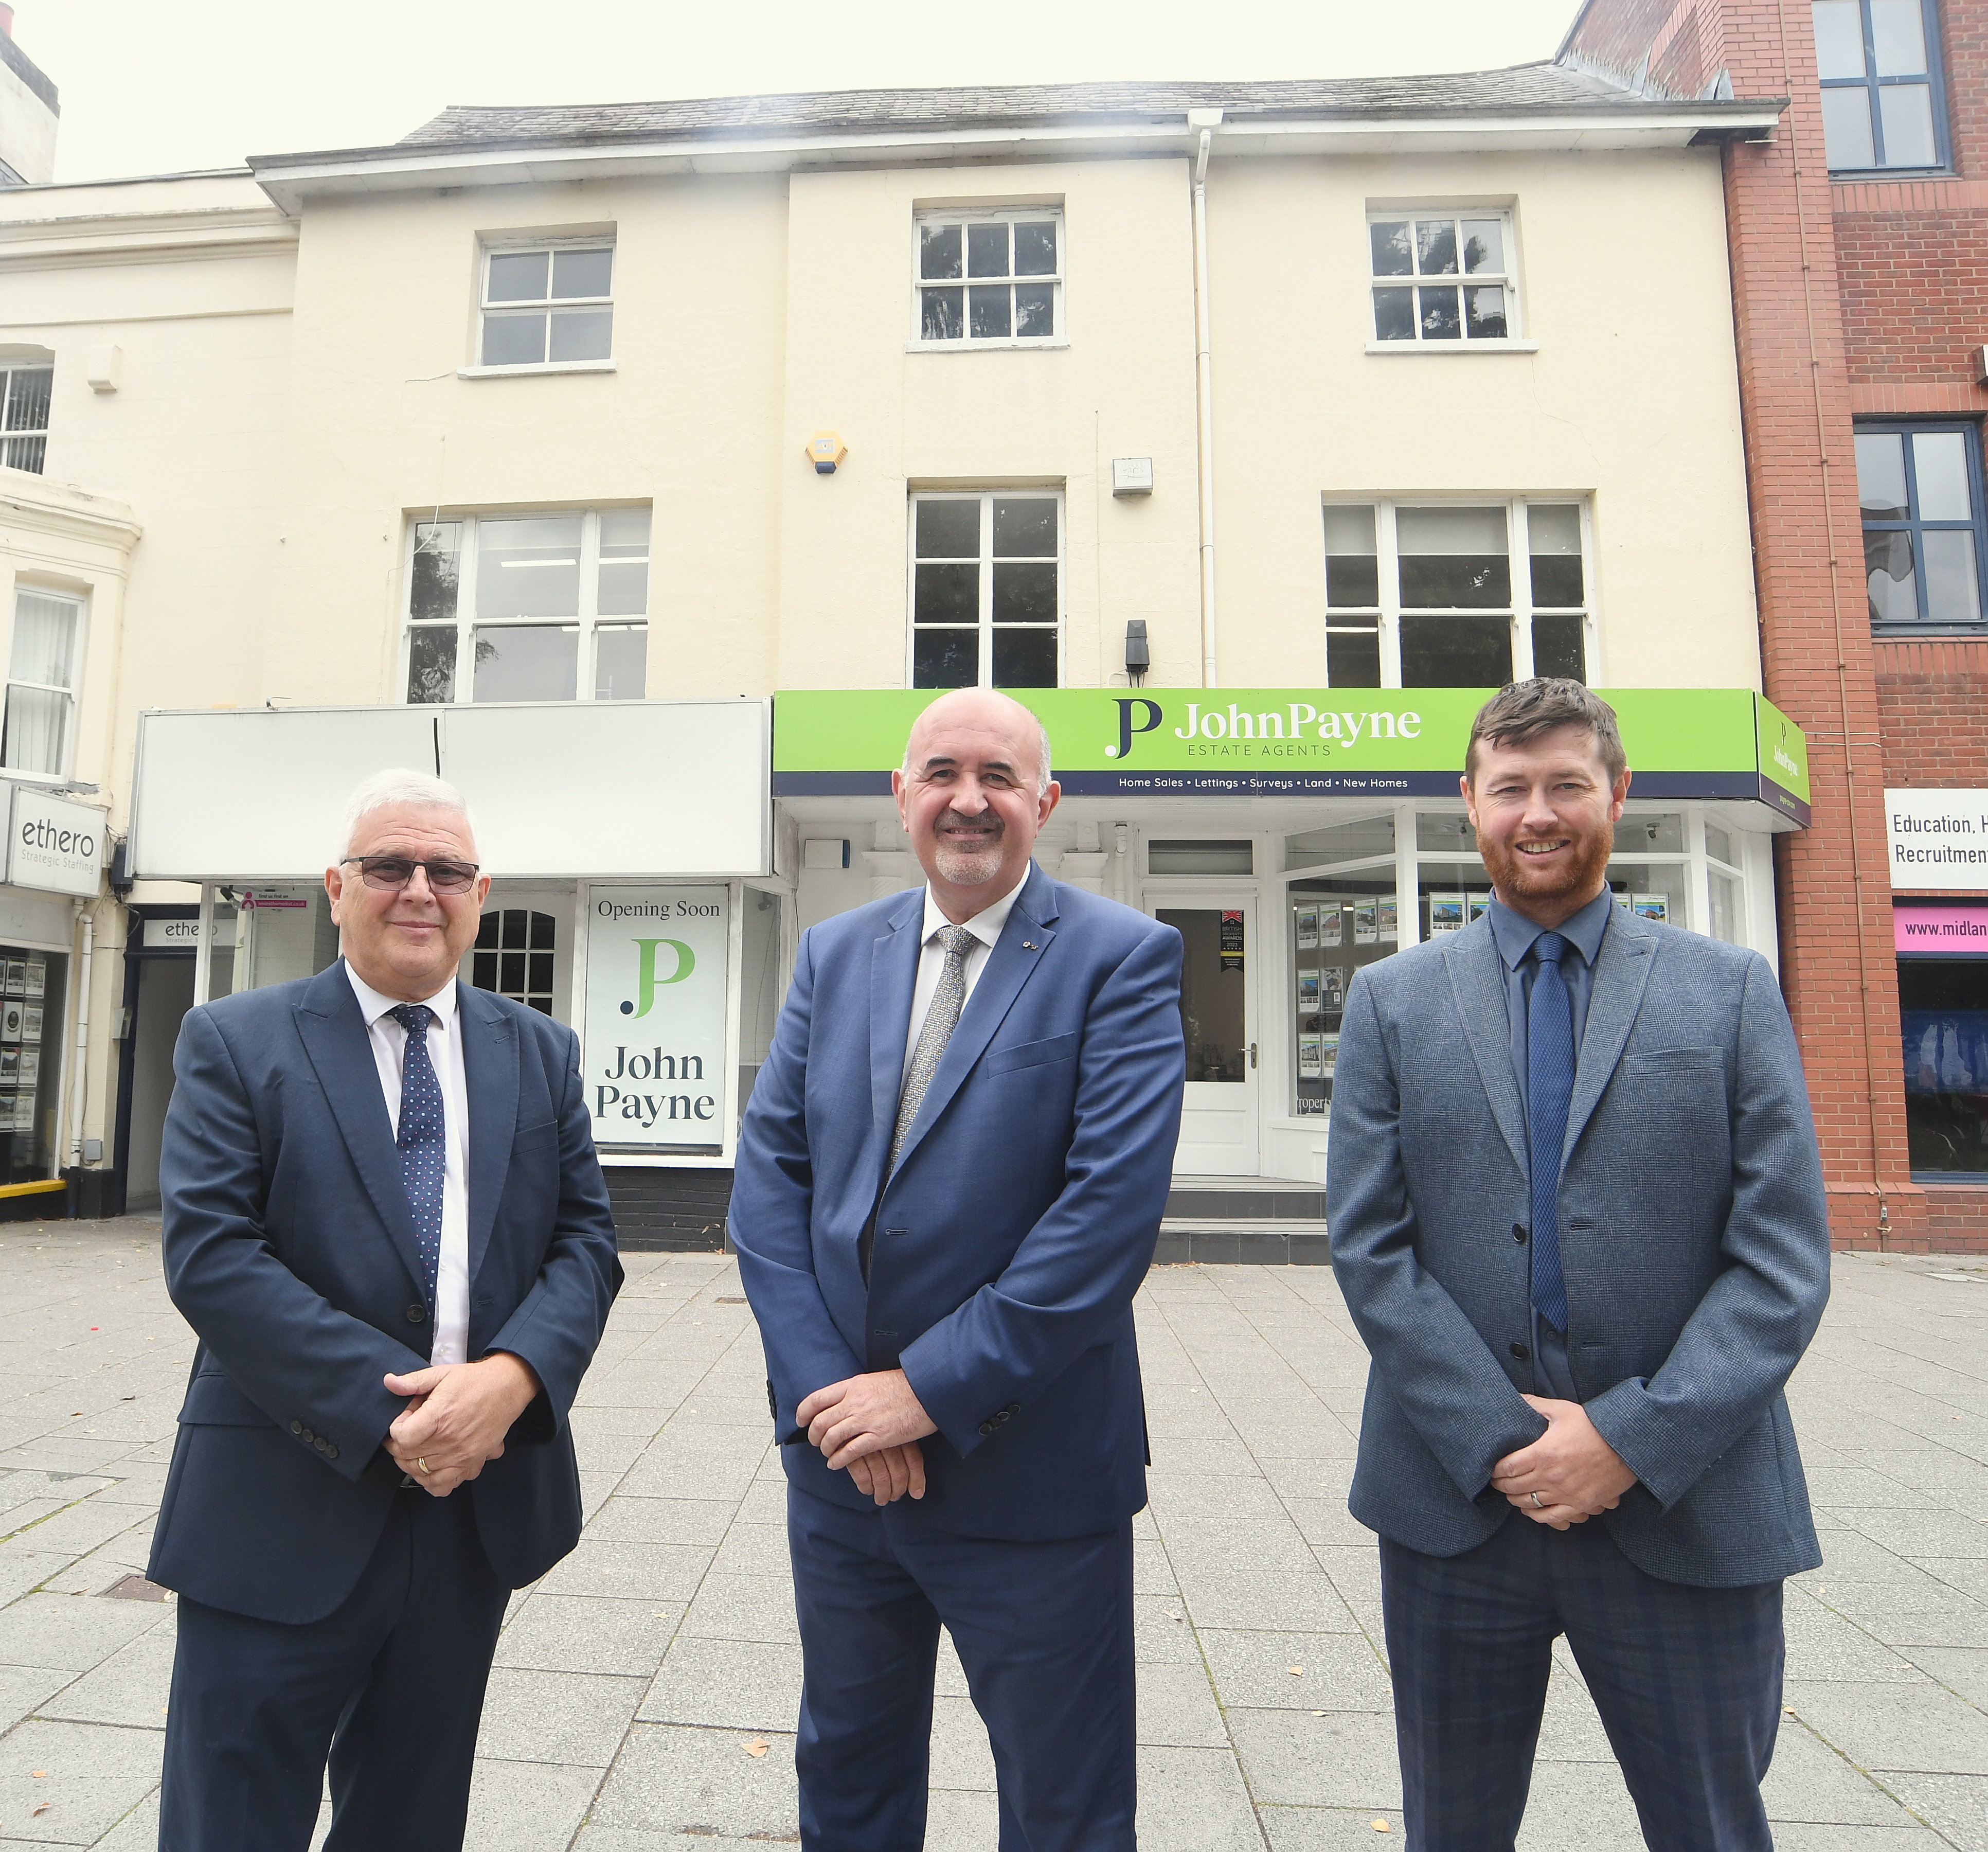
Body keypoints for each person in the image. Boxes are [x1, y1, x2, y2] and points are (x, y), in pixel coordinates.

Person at [1327, 678, 1831, 1852]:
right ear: (1470, 804)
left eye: (1564, 784)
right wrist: (1508, 1443)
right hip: (1458, 1504)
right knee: (1450, 1831)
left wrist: (1627, 1442)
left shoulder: (1729, 992)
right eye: (1510, 789)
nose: (1537, 812)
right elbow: (1370, 1247)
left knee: (1710, 1827)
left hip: (1684, 1499)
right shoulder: (1391, 1003)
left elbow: (1781, 1259)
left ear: (1618, 793)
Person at [731, 687, 1185, 1851]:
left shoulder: (1120, 959)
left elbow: (1103, 1222)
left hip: (1027, 1474)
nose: (967, 800)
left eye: (997, 777)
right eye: (940, 773)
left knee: (1063, 1803)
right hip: (844, 1476)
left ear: (1046, 800)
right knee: (848, 1775)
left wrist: (923, 1393)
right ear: (900, 795)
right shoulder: (836, 954)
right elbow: (769, 1190)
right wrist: (837, 1399)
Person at [149, 768, 621, 1852]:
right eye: (390, 867)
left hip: (472, 1515)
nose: (420, 889)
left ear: (479, 892)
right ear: (336, 887)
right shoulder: (236, 1039)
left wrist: (509, 1384)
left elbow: (585, 1246)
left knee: (411, 1820)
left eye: (446, 870)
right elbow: (214, 1257)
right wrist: (401, 1413)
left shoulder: (536, 1052)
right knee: (232, 1820)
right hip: (280, 1500)